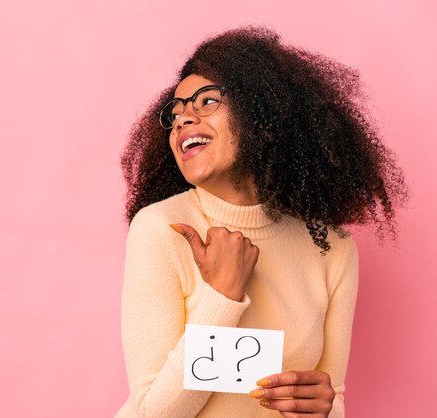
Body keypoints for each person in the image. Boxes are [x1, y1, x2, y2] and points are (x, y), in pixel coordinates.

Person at [115, 27, 407, 418]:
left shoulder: (331, 247)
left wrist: (328, 410)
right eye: (176, 110)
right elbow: (152, 413)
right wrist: (222, 297)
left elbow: (332, 396)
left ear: (261, 111)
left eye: (206, 102)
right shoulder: (162, 229)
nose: (183, 118)